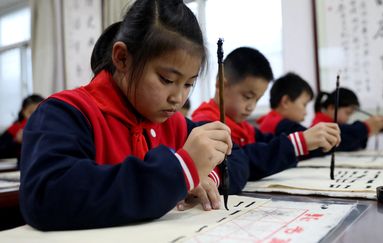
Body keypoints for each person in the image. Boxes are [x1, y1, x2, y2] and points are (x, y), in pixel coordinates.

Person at [20, 0, 254, 231]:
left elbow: (236, 159)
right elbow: (47, 195)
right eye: (167, 80)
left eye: (188, 84)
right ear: (122, 58)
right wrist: (180, 171)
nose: (178, 98)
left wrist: (206, 176)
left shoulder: (175, 124)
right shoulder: (67, 112)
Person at [192, 47, 340, 172]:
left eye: (257, 99)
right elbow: (240, 159)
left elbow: (267, 144)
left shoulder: (243, 126)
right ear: (221, 86)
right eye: (247, 96)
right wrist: (298, 142)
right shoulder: (206, 123)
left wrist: (310, 142)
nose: (251, 107)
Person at [312, 87, 383, 151]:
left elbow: (351, 144)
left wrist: (368, 132)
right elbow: (343, 139)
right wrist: (366, 127)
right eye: (347, 113)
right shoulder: (319, 125)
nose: (348, 118)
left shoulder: (335, 125)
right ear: (332, 108)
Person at [0, 94, 44, 160]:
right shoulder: (15, 129)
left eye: (39, 112)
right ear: (23, 111)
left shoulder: (49, 129)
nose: (35, 116)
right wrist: (16, 141)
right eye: (30, 112)